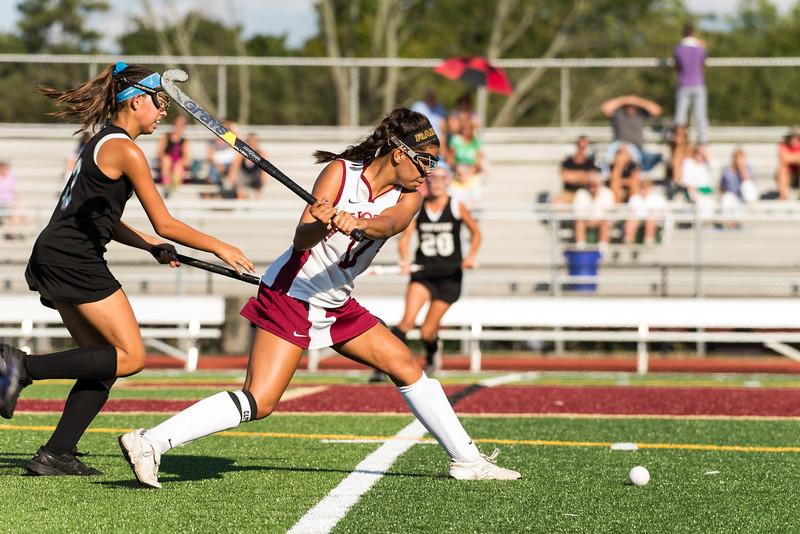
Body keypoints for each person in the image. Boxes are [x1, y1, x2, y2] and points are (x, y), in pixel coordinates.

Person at [117, 108, 520, 488]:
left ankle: (466, 459)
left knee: (404, 363)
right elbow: (301, 238)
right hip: (292, 294)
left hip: (335, 299)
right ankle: (151, 441)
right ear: (399, 154)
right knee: (260, 400)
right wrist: (323, 220)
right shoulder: (340, 173)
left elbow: (388, 225)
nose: (430, 172)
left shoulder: (407, 197)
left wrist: (357, 223)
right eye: (425, 161)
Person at [0, 62, 254, 477]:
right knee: (131, 356)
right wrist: (220, 247)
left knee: (103, 361)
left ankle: (57, 453)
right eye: (159, 103)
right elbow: (166, 223)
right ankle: (19, 367)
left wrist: (149, 246)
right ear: (137, 101)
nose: (163, 112)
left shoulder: (104, 141)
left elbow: (108, 220)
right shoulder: (126, 149)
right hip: (74, 259)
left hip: (57, 254)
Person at [371, 165, 481, 381]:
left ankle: (431, 357)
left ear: (448, 181)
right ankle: (382, 366)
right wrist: (404, 259)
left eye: (441, 179)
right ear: (427, 182)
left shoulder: (456, 206)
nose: (437, 183)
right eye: (433, 179)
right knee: (406, 322)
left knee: (427, 331)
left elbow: (476, 233)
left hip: (449, 277)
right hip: (423, 274)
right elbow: (405, 237)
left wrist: (471, 256)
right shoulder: (419, 207)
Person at [600, 94, 663, 187]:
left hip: (637, 153)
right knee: (621, 156)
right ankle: (616, 188)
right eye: (629, 105)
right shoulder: (619, 114)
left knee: (633, 177)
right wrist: (625, 99)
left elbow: (657, 110)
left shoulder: (641, 115)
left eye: (633, 105)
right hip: (619, 149)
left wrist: (637, 101)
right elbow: (604, 108)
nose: (631, 106)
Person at [673, 23, 709, 146]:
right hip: (698, 84)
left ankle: (679, 140)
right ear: (694, 33)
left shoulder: (678, 48)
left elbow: (676, 66)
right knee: (701, 115)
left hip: (683, 84)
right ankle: (703, 142)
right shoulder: (700, 48)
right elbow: (703, 61)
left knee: (680, 114)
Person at [447, 114, 485, 217]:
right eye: (463, 128)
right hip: (457, 173)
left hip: (471, 174)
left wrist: (471, 171)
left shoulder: (476, 142)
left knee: (476, 190)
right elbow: (450, 159)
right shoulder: (455, 140)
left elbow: (478, 163)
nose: (465, 131)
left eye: (467, 129)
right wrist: (458, 170)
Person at [573, 171, 615, 250]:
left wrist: (597, 220)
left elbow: (609, 212)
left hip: (601, 220)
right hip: (585, 220)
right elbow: (577, 212)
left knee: (605, 222)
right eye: (590, 184)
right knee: (579, 222)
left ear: (600, 184)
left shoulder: (608, 193)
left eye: (595, 184)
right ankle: (581, 248)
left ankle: (602, 249)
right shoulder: (580, 193)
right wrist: (589, 220)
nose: (592, 187)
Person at [553, 135, 597, 204]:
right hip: (569, 193)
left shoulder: (590, 163)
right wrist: (583, 176)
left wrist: (574, 176)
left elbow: (592, 179)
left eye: (584, 146)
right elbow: (565, 177)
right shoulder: (567, 162)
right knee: (556, 202)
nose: (582, 148)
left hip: (585, 193)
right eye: (580, 146)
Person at [720, 147, 758, 220]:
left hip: (746, 197)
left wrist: (741, 169)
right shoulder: (727, 170)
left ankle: (751, 206)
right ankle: (729, 222)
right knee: (727, 197)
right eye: (737, 158)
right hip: (734, 196)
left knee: (747, 185)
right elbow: (722, 186)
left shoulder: (748, 168)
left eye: (741, 158)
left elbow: (749, 183)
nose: (738, 160)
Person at [625, 179, 667, 245]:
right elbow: (631, 211)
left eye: (646, 187)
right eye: (642, 187)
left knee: (650, 220)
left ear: (650, 188)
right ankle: (629, 241)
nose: (644, 190)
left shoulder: (657, 198)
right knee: (632, 221)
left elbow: (662, 211)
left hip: (654, 219)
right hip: (638, 219)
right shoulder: (634, 198)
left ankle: (649, 241)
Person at [680, 144, 716, 218]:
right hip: (693, 194)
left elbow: (714, 167)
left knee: (709, 207)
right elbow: (687, 182)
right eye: (699, 153)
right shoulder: (688, 163)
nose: (700, 156)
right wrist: (693, 194)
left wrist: (706, 154)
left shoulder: (706, 165)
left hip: (706, 195)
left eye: (702, 155)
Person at [155, 115, 189, 191]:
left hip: (178, 164)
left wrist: (180, 162)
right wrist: (166, 158)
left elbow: (186, 157)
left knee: (178, 166)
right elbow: (159, 153)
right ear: (174, 125)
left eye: (181, 125)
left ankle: (174, 187)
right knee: (166, 160)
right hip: (166, 163)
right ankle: (167, 184)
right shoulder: (166, 137)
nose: (179, 127)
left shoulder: (184, 140)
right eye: (177, 125)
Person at [229, 132, 268, 199]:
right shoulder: (241, 153)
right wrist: (232, 178)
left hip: (255, 176)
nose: (252, 144)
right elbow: (235, 166)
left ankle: (256, 199)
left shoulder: (261, 153)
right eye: (250, 142)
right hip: (244, 176)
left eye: (254, 141)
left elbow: (265, 170)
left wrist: (264, 179)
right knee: (238, 181)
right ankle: (241, 197)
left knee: (261, 179)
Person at [0, 160, 23, 239]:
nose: (6, 170)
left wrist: (18, 202)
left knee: (17, 212)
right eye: (4, 168)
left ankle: (13, 234)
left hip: (8, 202)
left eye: (7, 168)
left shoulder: (11, 177)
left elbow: (15, 191)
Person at [776, 128, 800, 200]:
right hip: (788, 175)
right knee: (782, 169)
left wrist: (790, 157)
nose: (793, 139)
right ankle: (783, 196)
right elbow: (784, 159)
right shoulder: (783, 145)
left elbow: (786, 158)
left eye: (796, 137)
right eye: (791, 137)